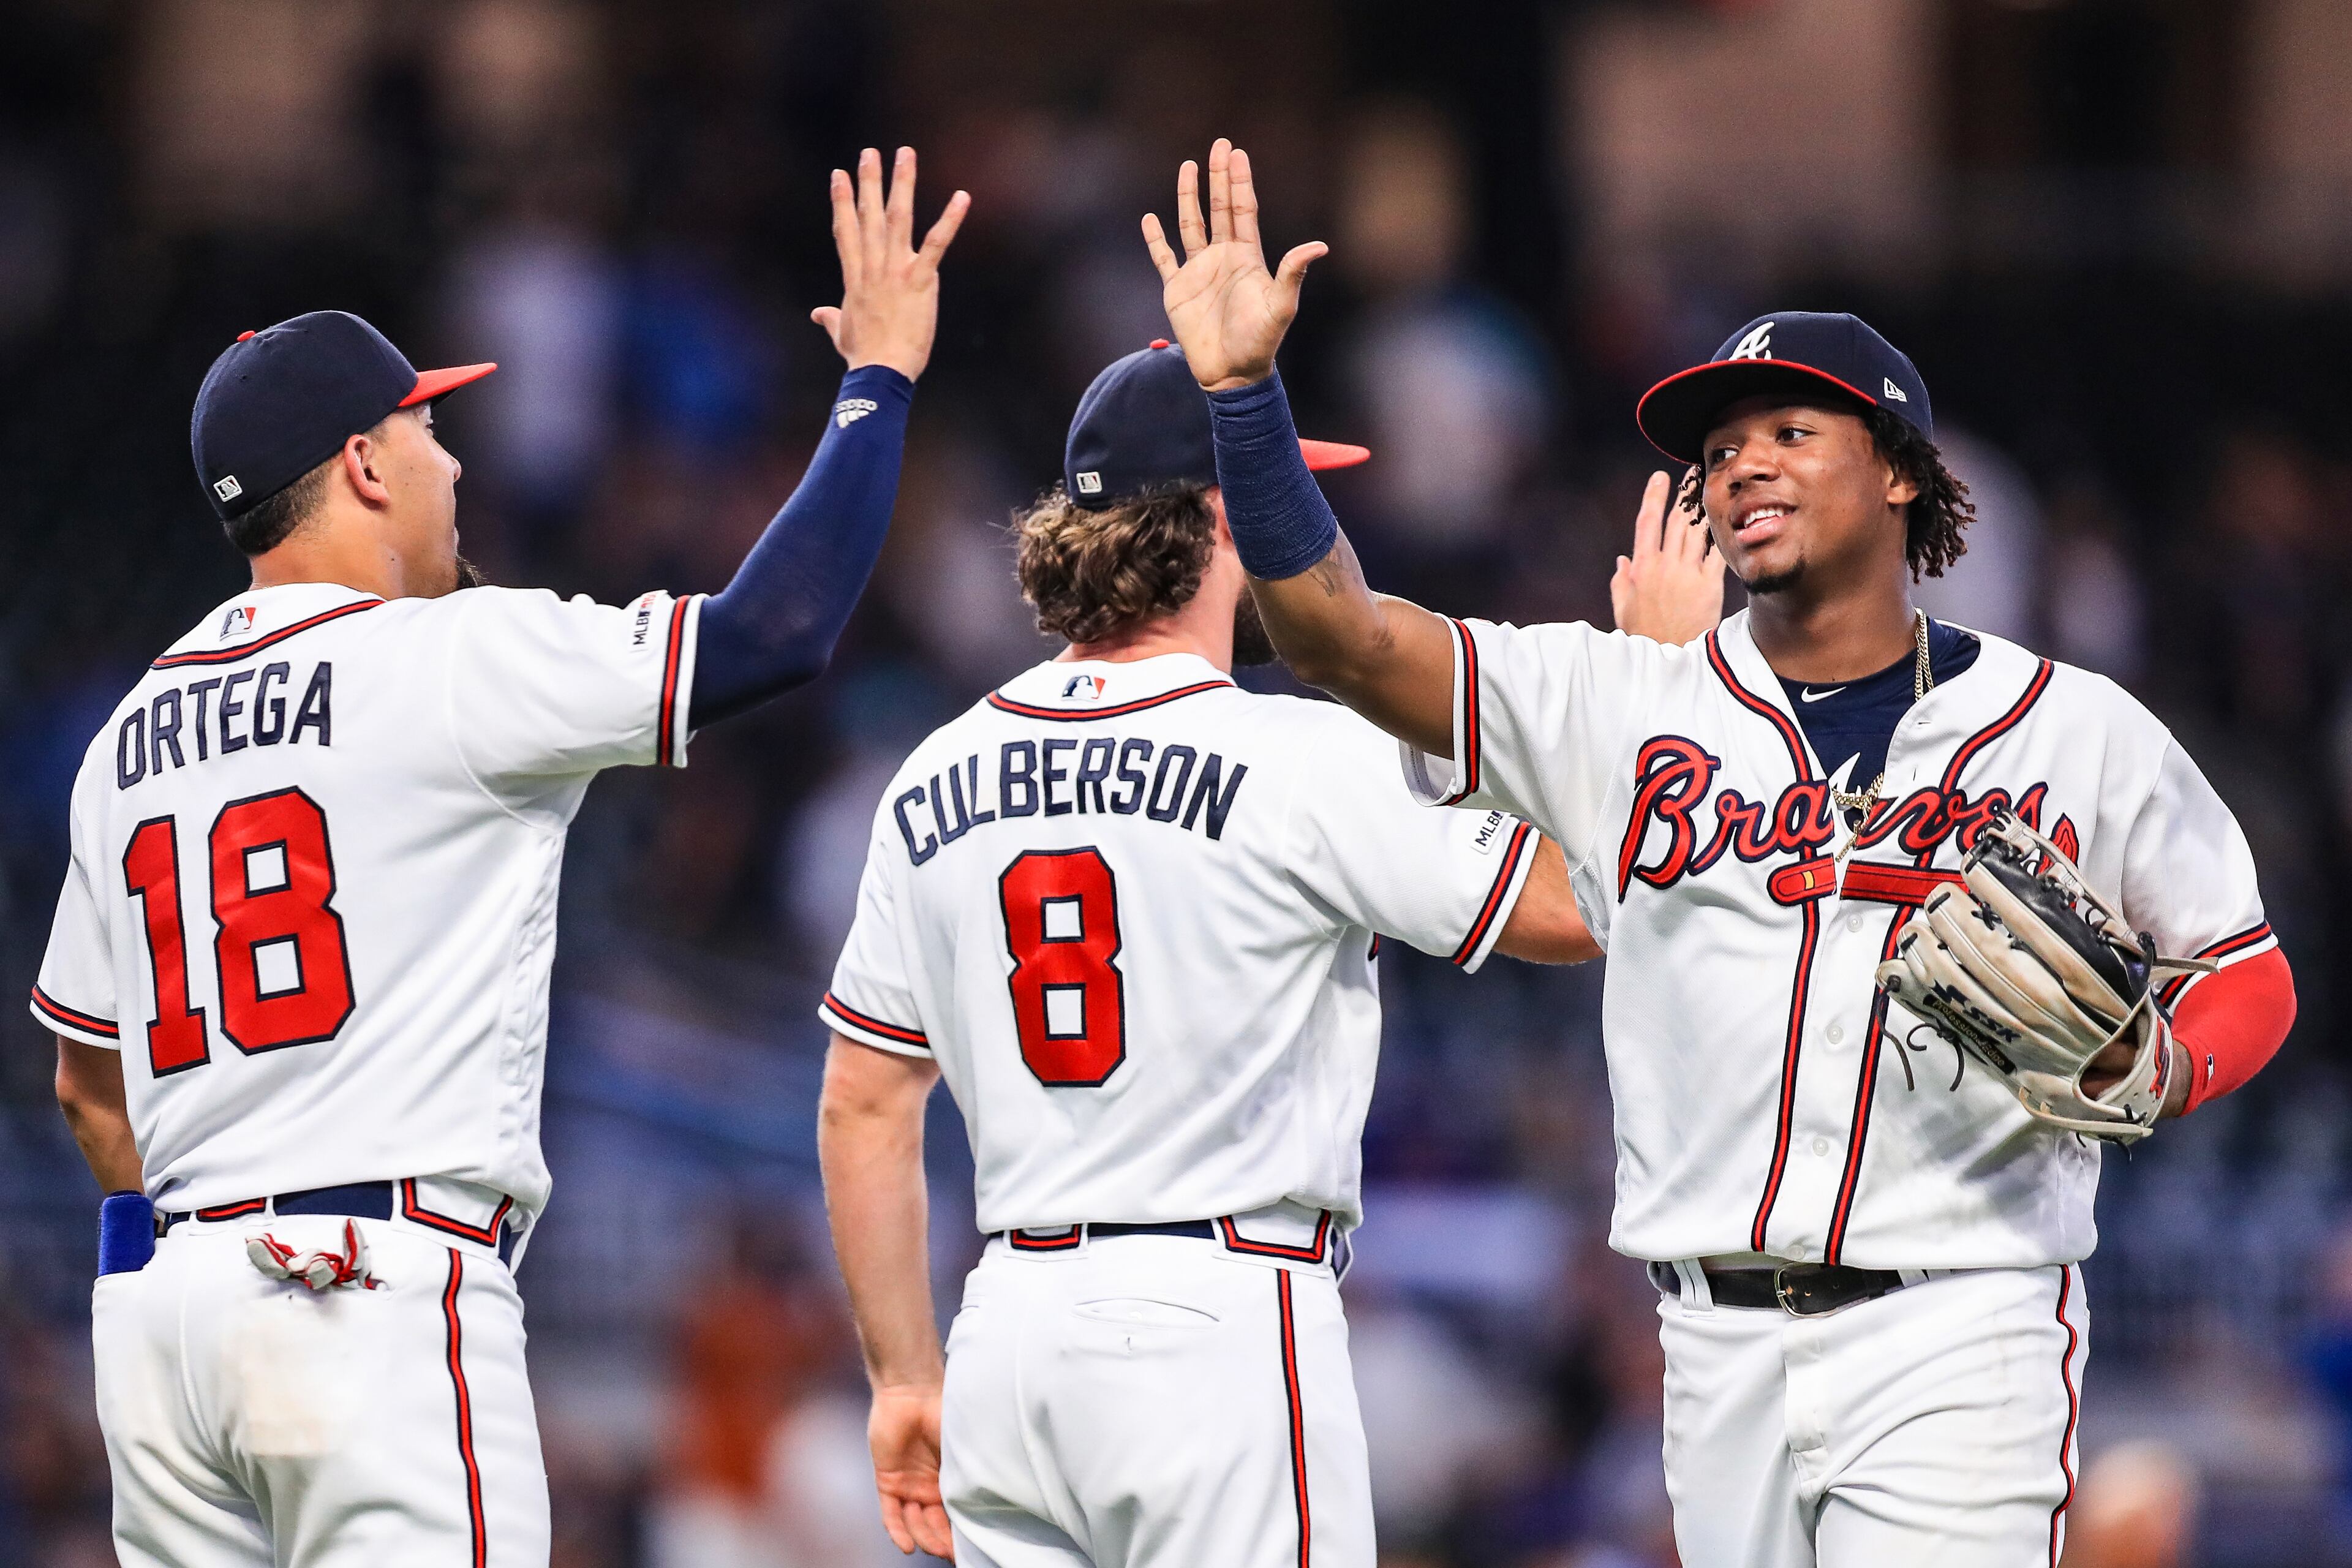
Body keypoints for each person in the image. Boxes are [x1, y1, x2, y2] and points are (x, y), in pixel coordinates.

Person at [1144, 138, 2297, 1566]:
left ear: (1896, 474)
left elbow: (2242, 966)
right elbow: (1337, 635)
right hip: (1709, 1340)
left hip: (1962, 1318)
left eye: (1790, 429)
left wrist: (2173, 1061)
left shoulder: (2074, 727)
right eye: (1721, 443)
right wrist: (1244, 400)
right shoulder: (1624, 701)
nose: (1740, 457)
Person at [34, 147, 965, 1567]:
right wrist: (880, 380)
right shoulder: (451, 654)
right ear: (358, 463)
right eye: (423, 431)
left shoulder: (129, 733)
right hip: (370, 1291)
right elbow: (773, 633)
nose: (452, 457)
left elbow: (87, 1089)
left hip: (174, 1333)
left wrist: (163, 1256)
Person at [812, 339, 1721, 1567]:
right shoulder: (1290, 756)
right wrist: (1658, 689)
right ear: (1226, 517)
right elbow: (1574, 906)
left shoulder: (936, 770)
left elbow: (864, 1102)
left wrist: (902, 1374)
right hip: (1216, 1319)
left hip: (1006, 1332)